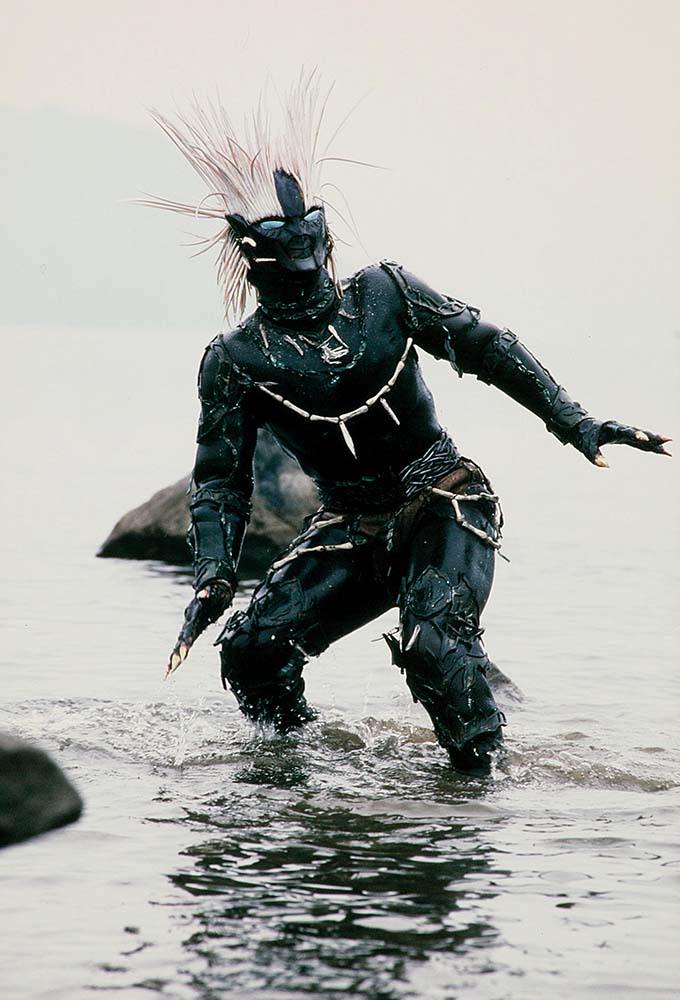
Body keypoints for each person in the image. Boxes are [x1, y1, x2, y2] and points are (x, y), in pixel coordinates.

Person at [146, 78, 670, 774]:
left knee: (433, 645)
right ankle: (296, 770)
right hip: (351, 523)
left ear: (325, 242)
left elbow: (486, 347)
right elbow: (220, 481)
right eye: (287, 263)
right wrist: (213, 576)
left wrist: (577, 423)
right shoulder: (237, 361)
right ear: (253, 262)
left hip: (443, 497)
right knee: (252, 652)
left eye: (312, 254)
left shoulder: (385, 295)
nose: (305, 273)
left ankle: (481, 788)